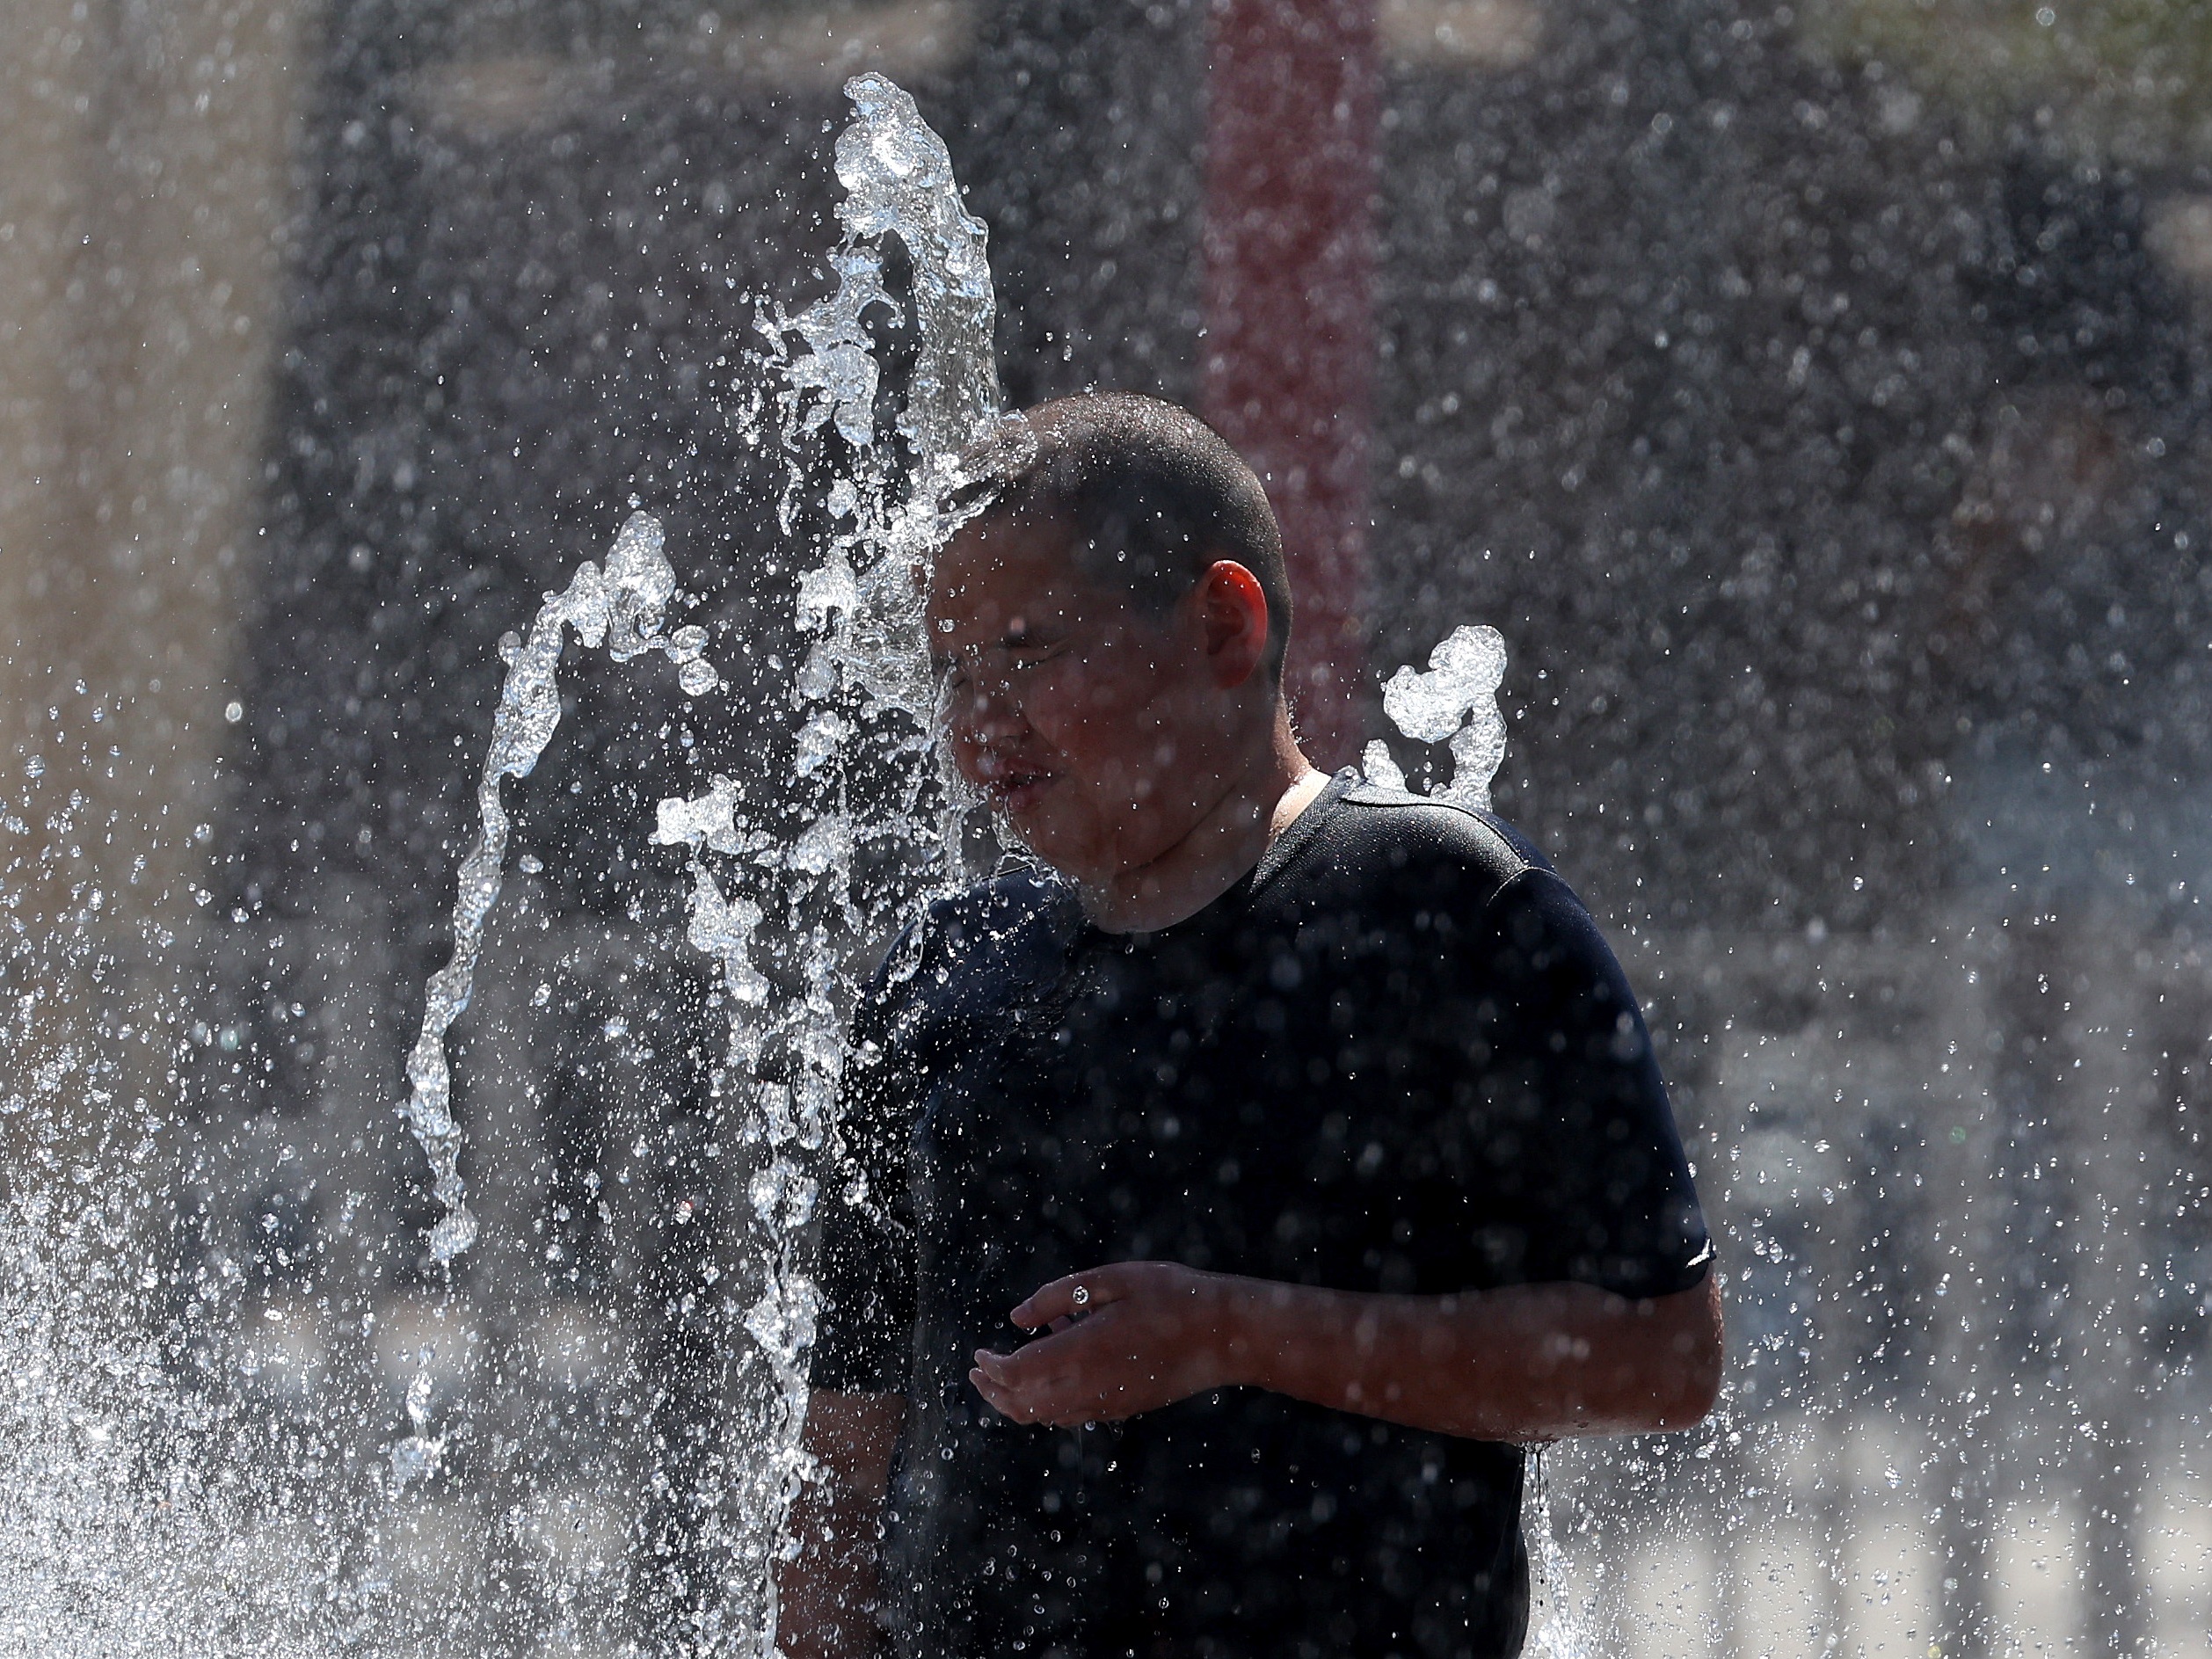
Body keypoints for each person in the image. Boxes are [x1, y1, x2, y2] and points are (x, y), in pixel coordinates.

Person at [776, 393, 1721, 1659]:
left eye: (1029, 648)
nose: (980, 716)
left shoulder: (1442, 913)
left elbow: (1661, 1359)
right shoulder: (941, 979)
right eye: (953, 666)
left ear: (1224, 627)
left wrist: (1235, 1335)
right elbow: (844, 1471)